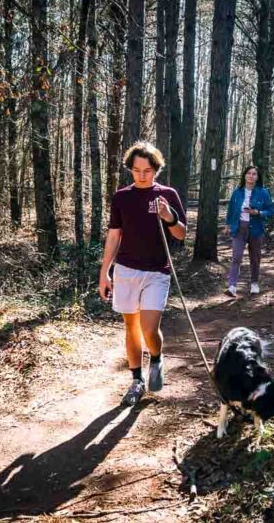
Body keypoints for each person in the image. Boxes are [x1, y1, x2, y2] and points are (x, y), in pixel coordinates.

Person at [99, 141, 187, 406]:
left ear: (156, 170)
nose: (141, 175)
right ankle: (136, 380)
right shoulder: (121, 197)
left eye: (147, 170)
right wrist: (104, 273)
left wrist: (169, 216)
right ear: (130, 169)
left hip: (157, 271)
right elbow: (114, 236)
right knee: (131, 327)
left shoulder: (167, 195)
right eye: (136, 170)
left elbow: (181, 234)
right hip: (126, 270)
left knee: (149, 329)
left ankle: (156, 358)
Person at [222, 165, 274, 297]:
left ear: (257, 177)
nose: (251, 176)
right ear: (244, 175)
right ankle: (232, 286)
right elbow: (231, 209)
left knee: (255, 258)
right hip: (239, 228)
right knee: (236, 257)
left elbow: (271, 211)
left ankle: (254, 284)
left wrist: (258, 212)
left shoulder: (263, 192)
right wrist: (227, 225)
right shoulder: (237, 192)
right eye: (249, 173)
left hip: (256, 229)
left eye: (254, 174)